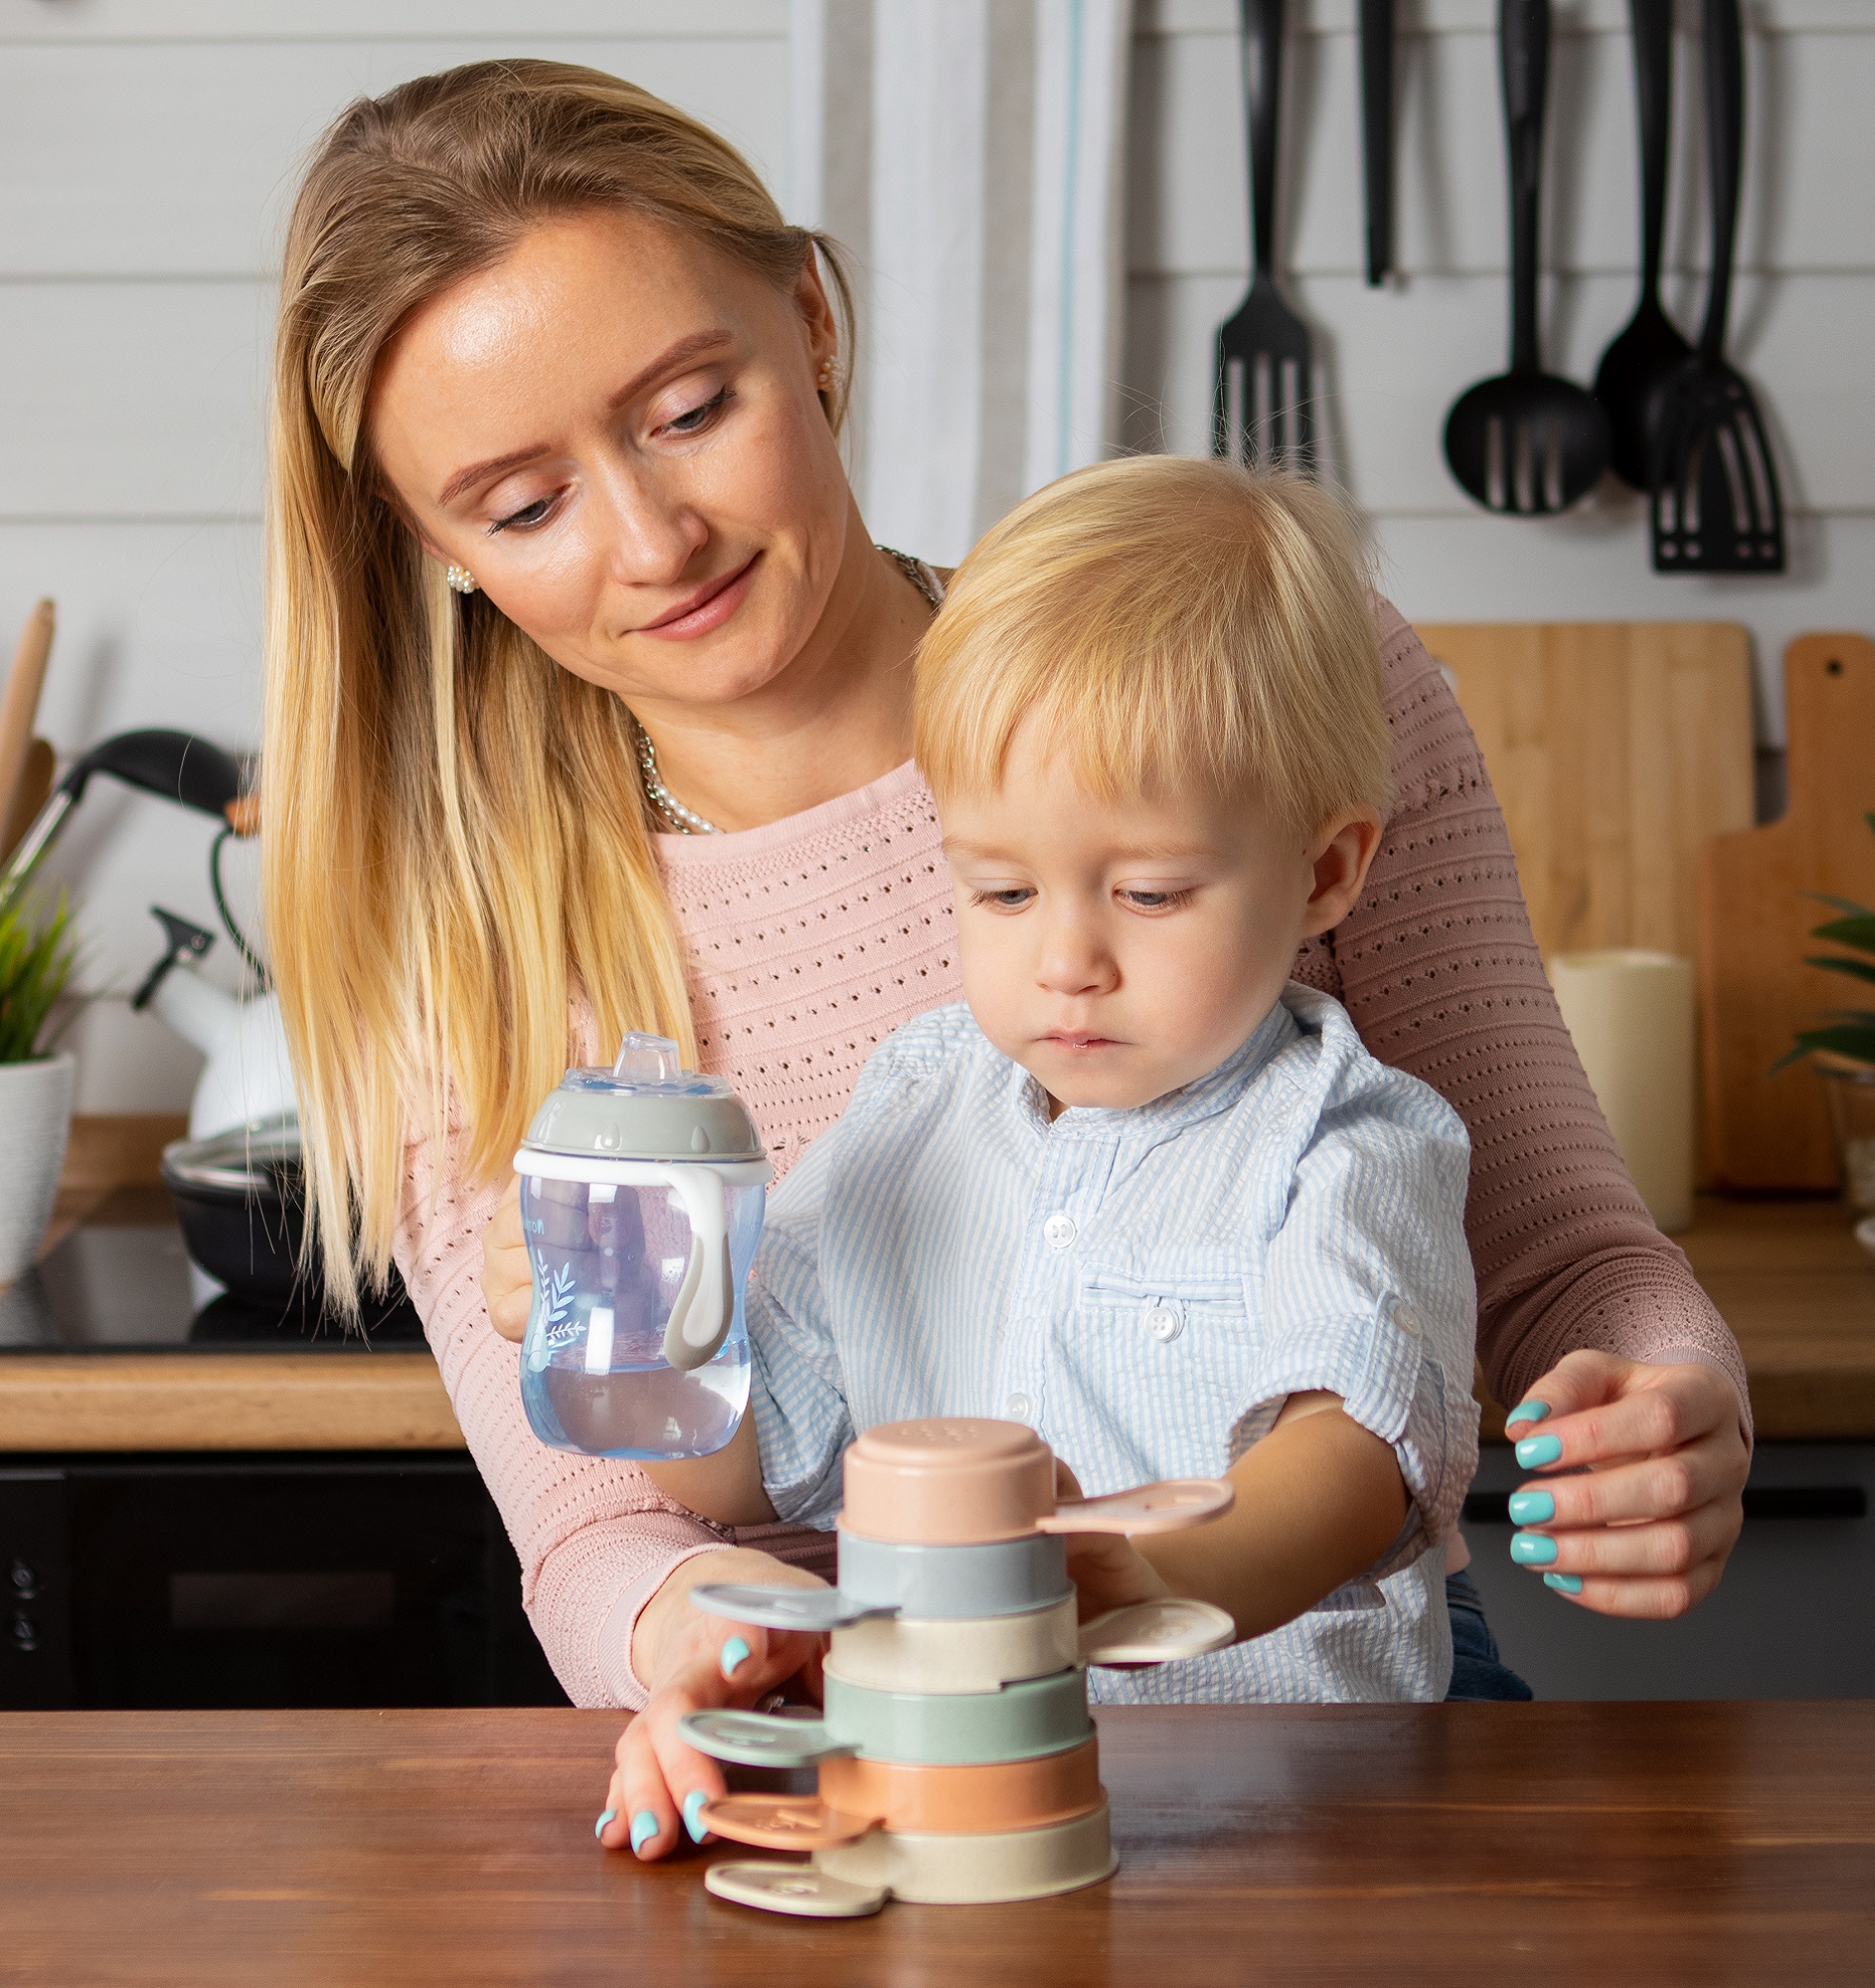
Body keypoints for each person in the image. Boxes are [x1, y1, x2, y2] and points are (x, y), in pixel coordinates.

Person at [259, 61, 1751, 1867]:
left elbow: (1550, 1253)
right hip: (849, 1744)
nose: (657, 543)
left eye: (690, 406)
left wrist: (1663, 1399)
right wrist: (735, 1643)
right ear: (436, 556)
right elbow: (610, 1528)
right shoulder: (471, 921)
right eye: (520, 508)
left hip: (1322, 1719)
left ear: (810, 318)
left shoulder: (1237, 673)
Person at [636, 455, 1481, 1724]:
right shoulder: (915, 1110)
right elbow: (752, 1471)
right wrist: (646, 1309)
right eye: (1002, 891)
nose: (1066, 961)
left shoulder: (1343, 1138)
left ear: (1321, 872)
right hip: (970, 1783)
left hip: (1296, 1815)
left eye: (1146, 893)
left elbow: (1351, 1457)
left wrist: (1142, 1577)